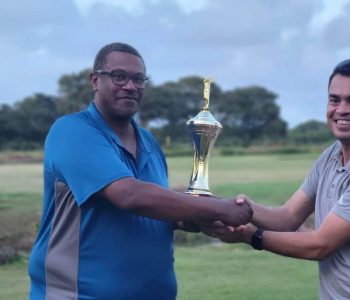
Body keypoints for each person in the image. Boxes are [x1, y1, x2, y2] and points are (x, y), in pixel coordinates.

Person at [27, 42, 252, 300]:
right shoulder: (72, 131)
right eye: (119, 76)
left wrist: (188, 217)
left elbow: (153, 204)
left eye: (138, 79)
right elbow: (129, 195)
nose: (130, 86)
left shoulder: (148, 142)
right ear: (95, 80)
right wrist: (220, 208)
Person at [205, 58, 350, 299]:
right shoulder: (331, 154)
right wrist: (241, 208)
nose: (342, 109)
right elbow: (288, 218)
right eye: (334, 99)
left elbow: (320, 245)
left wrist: (249, 235)